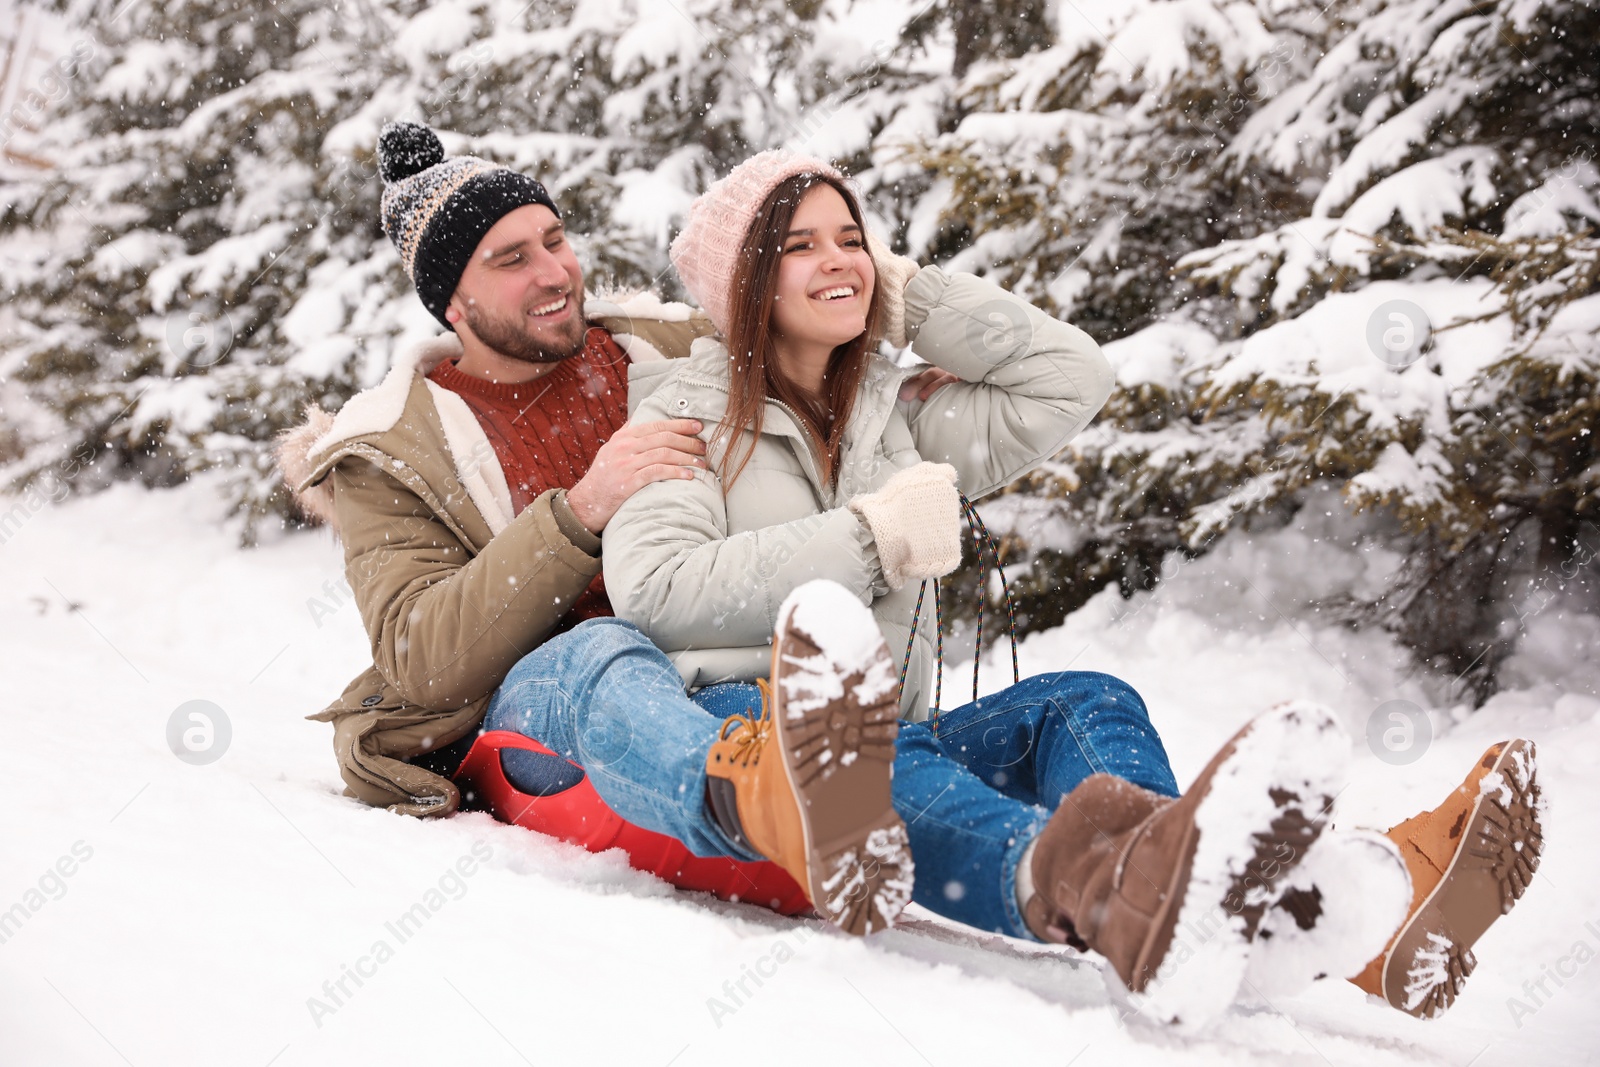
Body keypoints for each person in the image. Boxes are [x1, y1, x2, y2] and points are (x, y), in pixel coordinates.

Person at [597, 150, 1545, 1023]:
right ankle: (1122, 897)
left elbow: (1070, 380)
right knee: (894, 760)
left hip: (888, 721)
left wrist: (913, 297)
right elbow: (657, 588)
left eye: (852, 236)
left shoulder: (892, 414)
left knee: (1085, 701)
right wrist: (869, 538)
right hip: (766, 725)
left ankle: (1198, 904)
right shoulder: (683, 417)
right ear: (745, 282)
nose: (839, 258)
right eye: (799, 246)